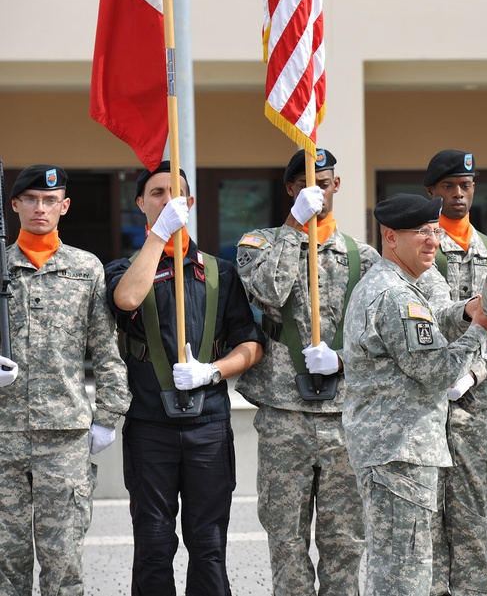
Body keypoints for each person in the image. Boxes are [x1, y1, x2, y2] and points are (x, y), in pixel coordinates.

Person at [106, 162, 264, 593]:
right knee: (154, 544)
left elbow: (251, 345)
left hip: (208, 424)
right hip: (150, 425)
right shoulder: (123, 268)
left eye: (175, 194)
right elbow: (126, 300)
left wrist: (212, 371)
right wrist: (159, 235)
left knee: (209, 544)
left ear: (190, 204)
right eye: (156, 193)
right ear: (140, 203)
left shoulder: (220, 273)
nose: (167, 200)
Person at [342, 193, 487, 595]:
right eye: (421, 233)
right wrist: (482, 329)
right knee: (403, 576)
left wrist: (465, 311)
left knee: (393, 567)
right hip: (400, 453)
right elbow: (437, 371)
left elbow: (424, 333)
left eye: (434, 230)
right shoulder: (397, 296)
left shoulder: (388, 284)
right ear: (391, 237)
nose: (432, 241)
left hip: (394, 451)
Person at [235, 149, 378, 594]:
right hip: (284, 415)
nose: (314, 188)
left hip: (345, 416)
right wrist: (295, 229)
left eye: (324, 181)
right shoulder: (256, 245)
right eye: (303, 182)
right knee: (286, 537)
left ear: (337, 186)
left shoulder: (365, 256)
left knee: (345, 541)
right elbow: (269, 292)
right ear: (291, 189)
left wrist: (342, 360)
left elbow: (378, 340)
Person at [0, 165, 130, 596]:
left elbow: (106, 346)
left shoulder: (85, 268)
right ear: (15, 204)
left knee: (63, 561)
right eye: (32, 199)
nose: (41, 208)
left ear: (64, 206)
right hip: (3, 434)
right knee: (5, 561)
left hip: (64, 434)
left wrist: (109, 414)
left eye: (50, 200)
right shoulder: (1, 266)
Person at [416, 149, 487, 596]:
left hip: (472, 406)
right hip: (424, 401)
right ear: (432, 193)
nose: (459, 195)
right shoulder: (420, 248)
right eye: (449, 187)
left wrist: (474, 373)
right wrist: (442, 369)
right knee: (427, 512)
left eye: (466, 186)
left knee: (473, 509)